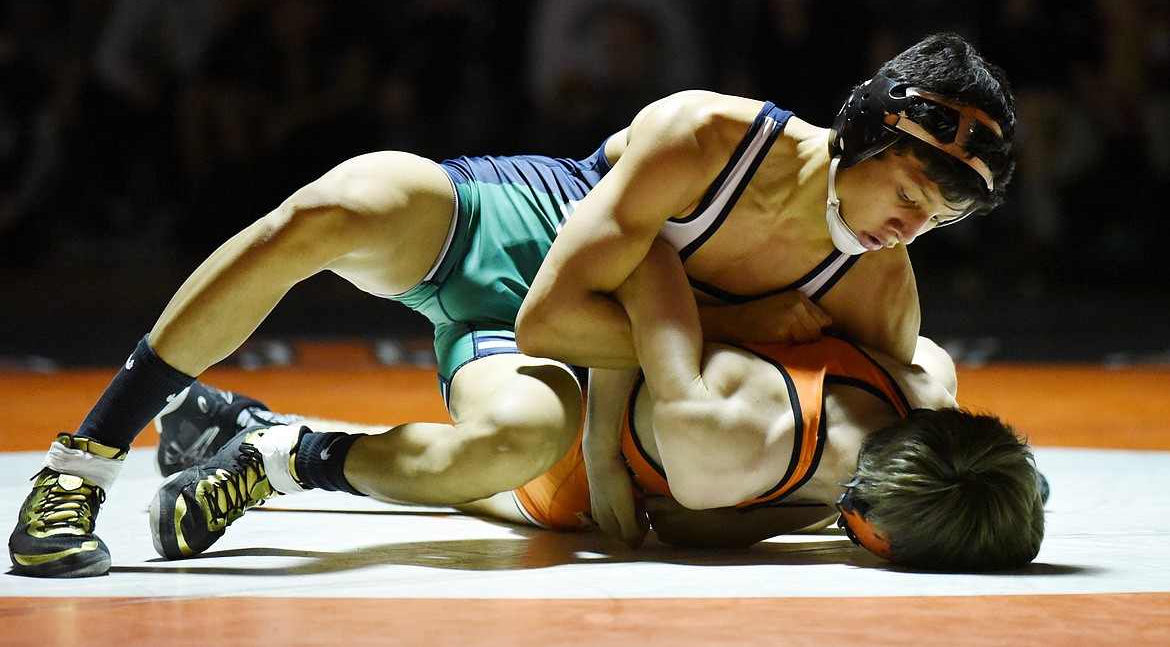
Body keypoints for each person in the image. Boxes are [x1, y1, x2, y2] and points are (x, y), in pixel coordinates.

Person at [9, 32, 1014, 578]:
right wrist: (739, 330)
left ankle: (271, 448)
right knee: (326, 211)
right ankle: (81, 465)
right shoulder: (709, 138)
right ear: (866, 133)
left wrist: (963, 508)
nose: (911, 227)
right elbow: (549, 309)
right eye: (910, 196)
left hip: (577, 352)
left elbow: (901, 434)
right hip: (524, 228)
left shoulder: (882, 284)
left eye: (937, 219)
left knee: (506, 449)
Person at [147, 238, 1043, 571]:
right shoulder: (721, 441)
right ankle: (283, 453)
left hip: (603, 317)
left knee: (542, 488)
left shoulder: (923, 366)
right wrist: (610, 454)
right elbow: (641, 254)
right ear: (872, 528)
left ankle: (240, 423)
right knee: (497, 466)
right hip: (563, 373)